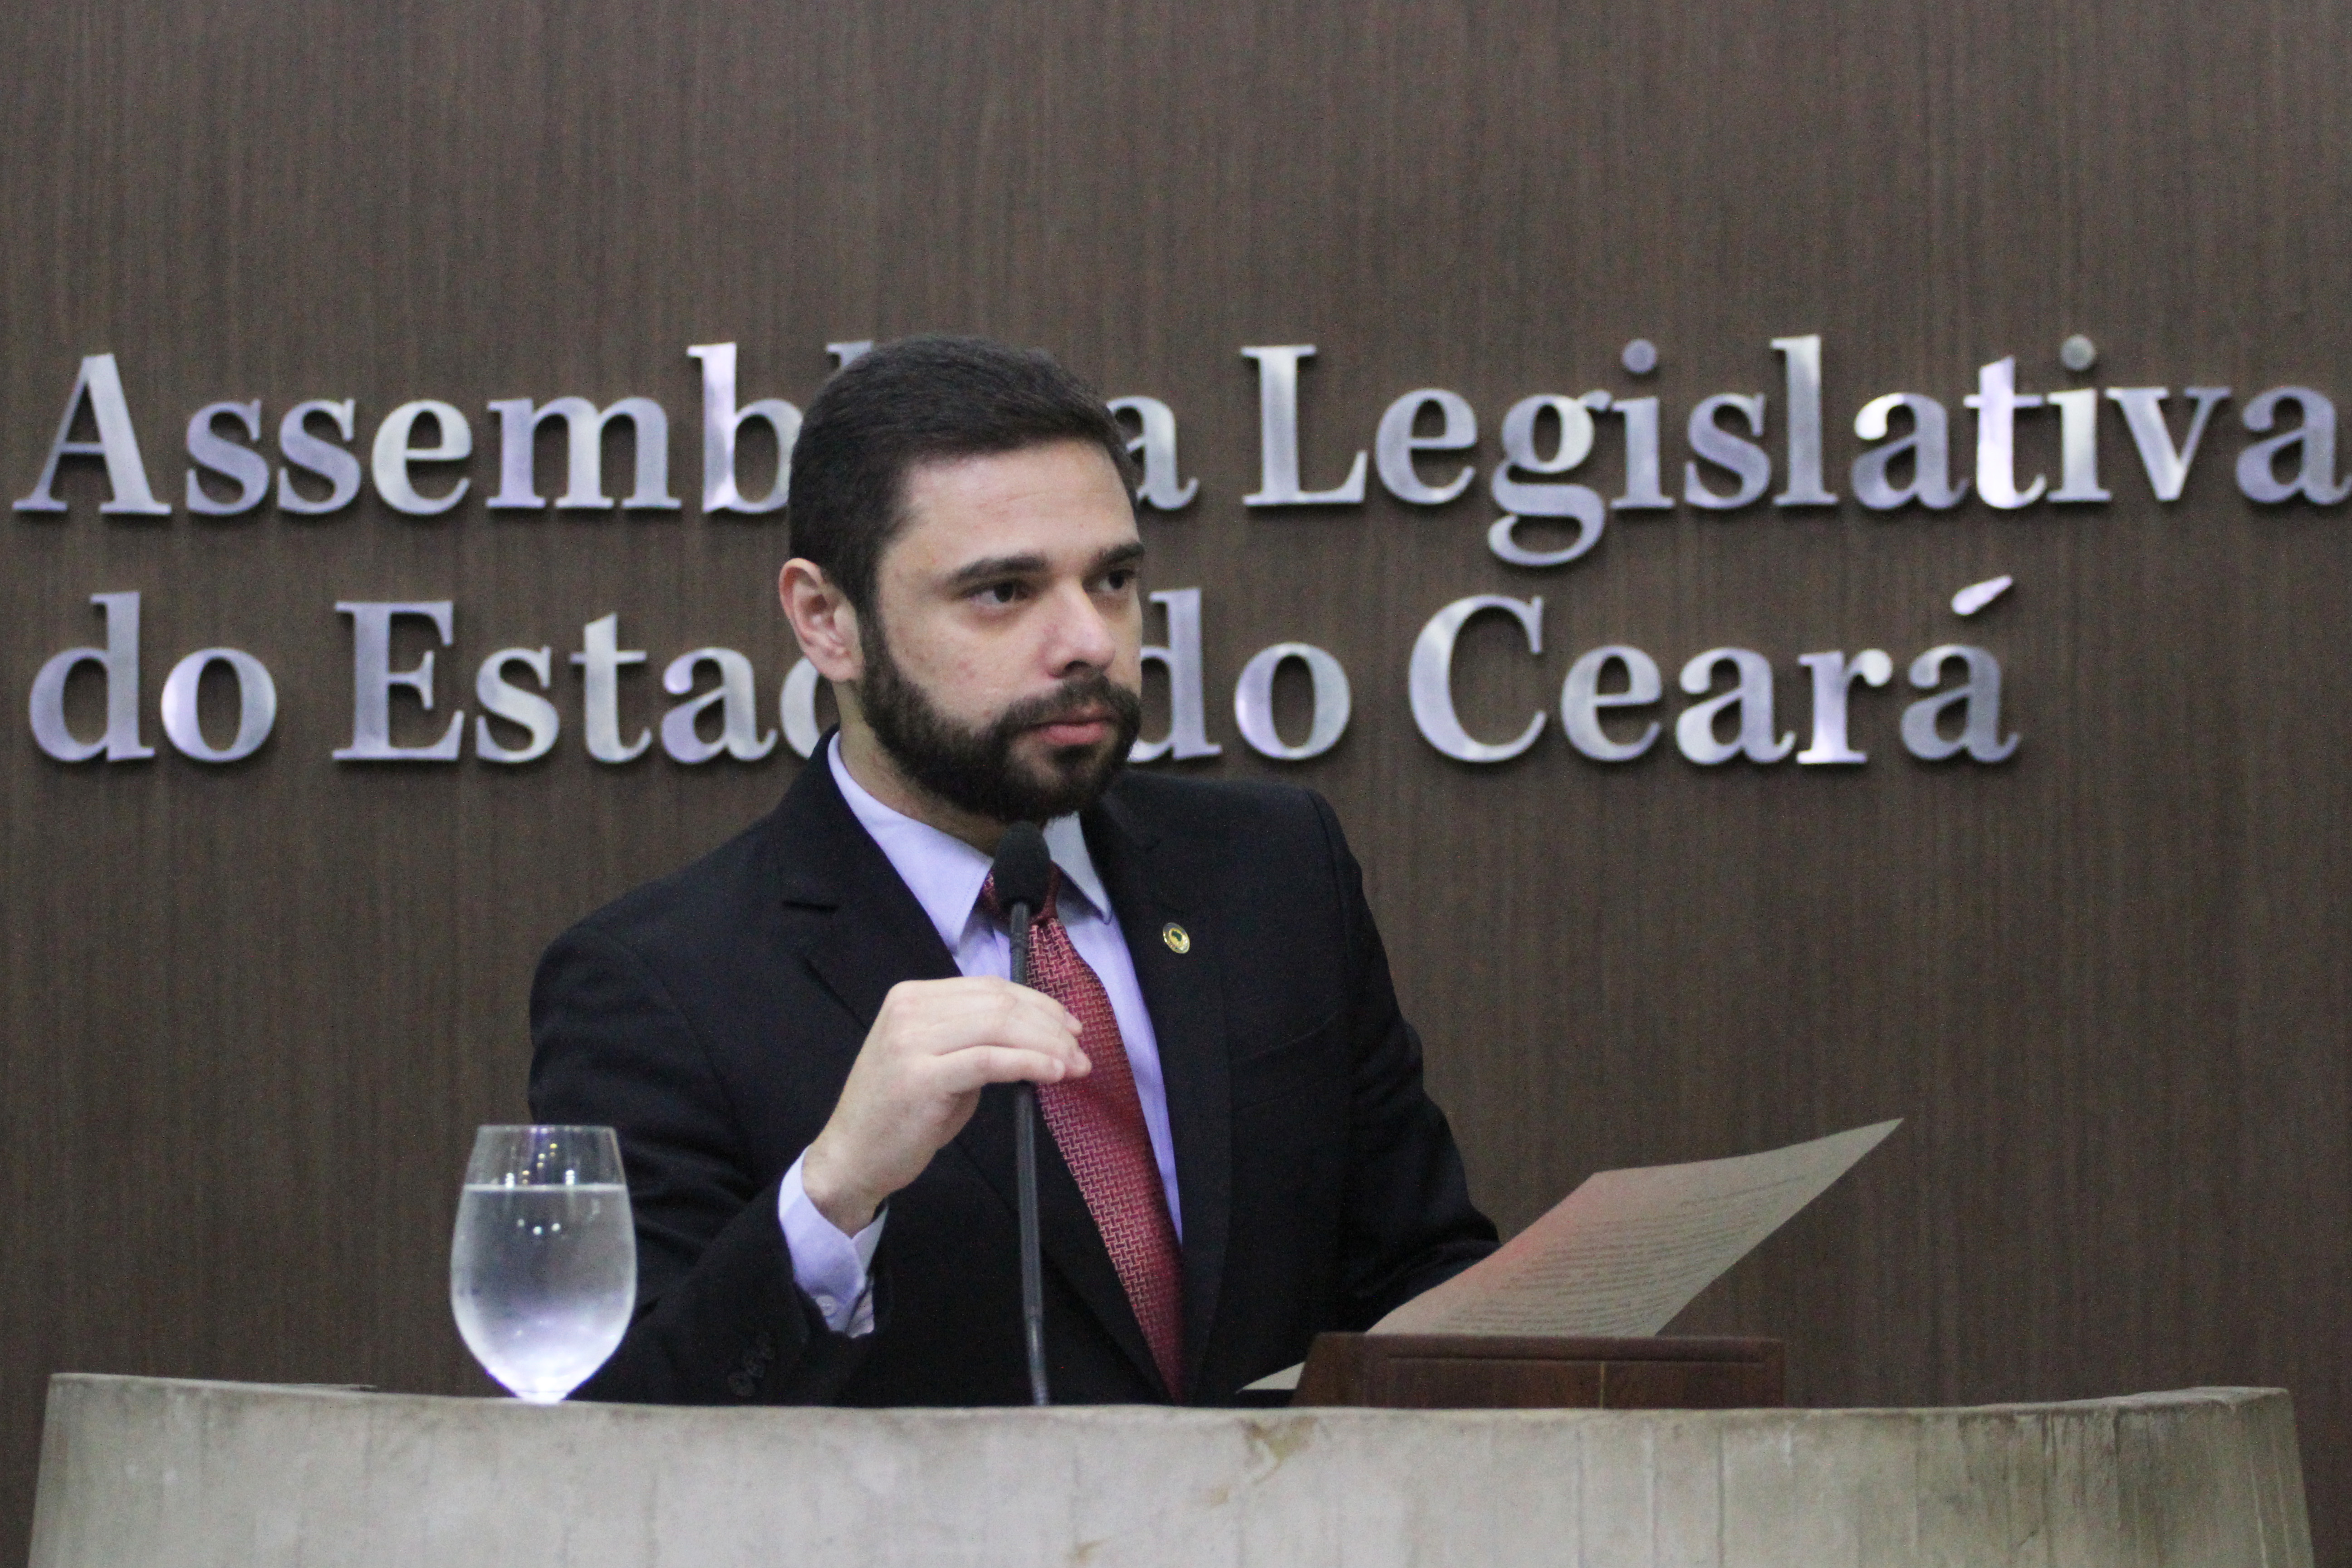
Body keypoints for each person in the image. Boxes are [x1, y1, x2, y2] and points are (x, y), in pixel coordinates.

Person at [529, 335, 1495, 1406]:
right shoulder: (660, 985)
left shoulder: (1275, 872)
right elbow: (621, 1434)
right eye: (1002, 592)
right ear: (827, 620)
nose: (1089, 641)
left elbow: (1419, 1274)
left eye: (1114, 579)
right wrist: (832, 1194)